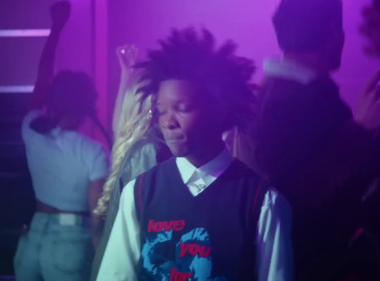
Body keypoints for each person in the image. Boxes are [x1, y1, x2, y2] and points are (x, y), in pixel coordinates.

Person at [96, 28, 293, 281]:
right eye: (161, 110)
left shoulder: (262, 203)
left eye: (182, 108)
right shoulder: (140, 193)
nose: (168, 122)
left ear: (219, 110)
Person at [254, 0, 380, 280]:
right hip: (314, 265)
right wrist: (361, 130)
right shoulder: (293, 99)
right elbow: (299, 191)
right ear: (334, 32)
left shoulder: (283, 92)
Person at [13, 0, 109, 281]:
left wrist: (57, 27)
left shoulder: (31, 129)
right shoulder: (93, 152)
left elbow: (43, 76)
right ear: (86, 107)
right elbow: (97, 217)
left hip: (34, 234)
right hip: (71, 241)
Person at [90, 45, 171, 281]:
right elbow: (144, 218)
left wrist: (127, 75)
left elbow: (120, 127)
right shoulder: (146, 150)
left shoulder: (133, 146)